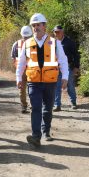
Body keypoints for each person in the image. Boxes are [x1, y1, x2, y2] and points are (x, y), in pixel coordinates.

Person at [16, 13, 69, 148]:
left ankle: (46, 131)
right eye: (33, 25)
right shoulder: (27, 43)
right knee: (36, 108)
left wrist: (65, 77)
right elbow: (21, 62)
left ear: (44, 26)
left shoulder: (55, 43)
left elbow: (63, 60)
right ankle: (36, 136)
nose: (35, 28)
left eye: (38, 25)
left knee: (48, 109)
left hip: (50, 81)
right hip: (33, 81)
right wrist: (18, 78)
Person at [52, 25, 80, 111]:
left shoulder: (69, 42)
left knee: (70, 85)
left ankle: (73, 102)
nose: (56, 34)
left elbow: (76, 55)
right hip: (56, 67)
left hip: (68, 67)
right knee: (57, 86)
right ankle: (57, 105)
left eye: (58, 32)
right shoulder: (52, 43)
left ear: (62, 32)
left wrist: (76, 66)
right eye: (55, 32)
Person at [11, 26, 33, 113]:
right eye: (25, 37)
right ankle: (24, 105)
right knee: (22, 89)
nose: (26, 38)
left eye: (27, 37)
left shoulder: (34, 43)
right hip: (23, 70)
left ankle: (32, 105)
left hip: (32, 70)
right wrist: (18, 71)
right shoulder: (16, 44)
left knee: (32, 89)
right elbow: (14, 58)